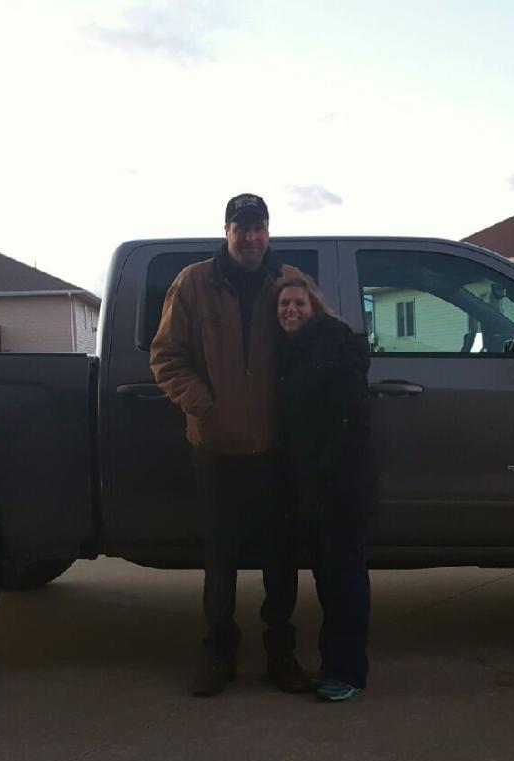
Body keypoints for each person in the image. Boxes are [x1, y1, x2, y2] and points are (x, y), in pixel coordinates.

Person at [150, 193, 313, 697]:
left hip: (272, 448)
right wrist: (204, 403)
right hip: (216, 448)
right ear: (226, 232)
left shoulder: (284, 282)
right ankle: (218, 653)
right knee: (219, 559)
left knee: (279, 559)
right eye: (240, 228)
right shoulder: (195, 283)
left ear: (268, 231)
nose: (250, 237)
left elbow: (313, 341)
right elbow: (165, 356)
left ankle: (281, 655)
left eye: (258, 227)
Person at [274, 275, 376, 702]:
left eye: (298, 302)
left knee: (343, 577)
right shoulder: (294, 351)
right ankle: (336, 663)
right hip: (313, 484)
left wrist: (329, 472)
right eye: (283, 305)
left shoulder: (333, 344)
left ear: (315, 306)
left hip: (338, 483)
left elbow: (350, 417)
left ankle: (348, 671)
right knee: (328, 575)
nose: (290, 310)